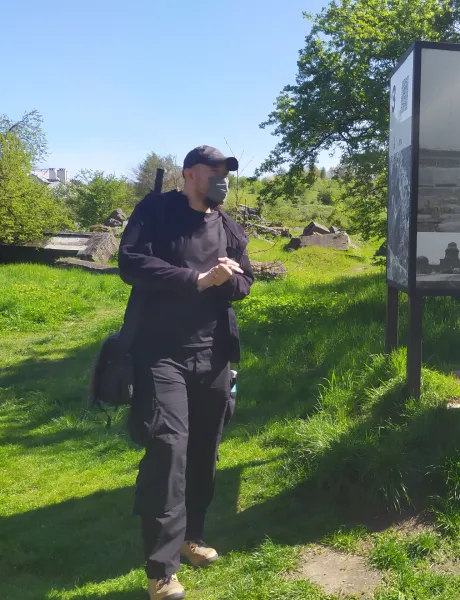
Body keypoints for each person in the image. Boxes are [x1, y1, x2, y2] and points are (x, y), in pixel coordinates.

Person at [118, 145, 254, 600]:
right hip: (161, 356)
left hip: (213, 355)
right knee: (169, 451)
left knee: (203, 451)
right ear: (189, 174)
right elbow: (131, 262)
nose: (222, 179)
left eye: (226, 173)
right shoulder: (156, 211)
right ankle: (161, 569)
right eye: (214, 172)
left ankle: (191, 536)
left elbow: (244, 284)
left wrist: (229, 277)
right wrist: (195, 280)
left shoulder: (228, 226)